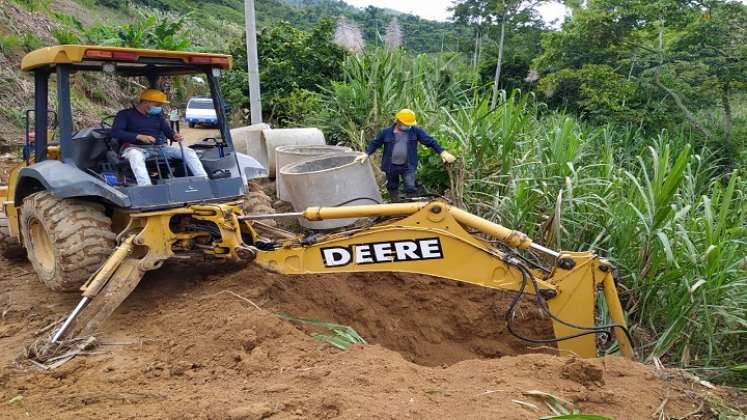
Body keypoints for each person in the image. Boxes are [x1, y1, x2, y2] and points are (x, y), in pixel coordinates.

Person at [112, 89, 208, 186]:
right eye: (157, 105)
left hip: (159, 148)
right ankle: (146, 187)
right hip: (134, 148)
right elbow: (116, 132)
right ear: (146, 102)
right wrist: (139, 136)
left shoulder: (158, 116)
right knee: (135, 156)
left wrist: (174, 136)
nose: (159, 108)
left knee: (189, 152)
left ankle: (203, 181)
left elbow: (168, 132)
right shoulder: (125, 114)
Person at [355, 108, 456, 200]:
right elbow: (375, 143)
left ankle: (410, 206)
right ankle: (395, 205)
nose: (408, 126)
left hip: (408, 165)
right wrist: (366, 153)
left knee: (410, 186)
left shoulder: (415, 131)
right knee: (392, 186)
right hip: (391, 166)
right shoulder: (385, 132)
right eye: (406, 124)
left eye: (409, 124)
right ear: (398, 121)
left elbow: (429, 141)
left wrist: (442, 152)